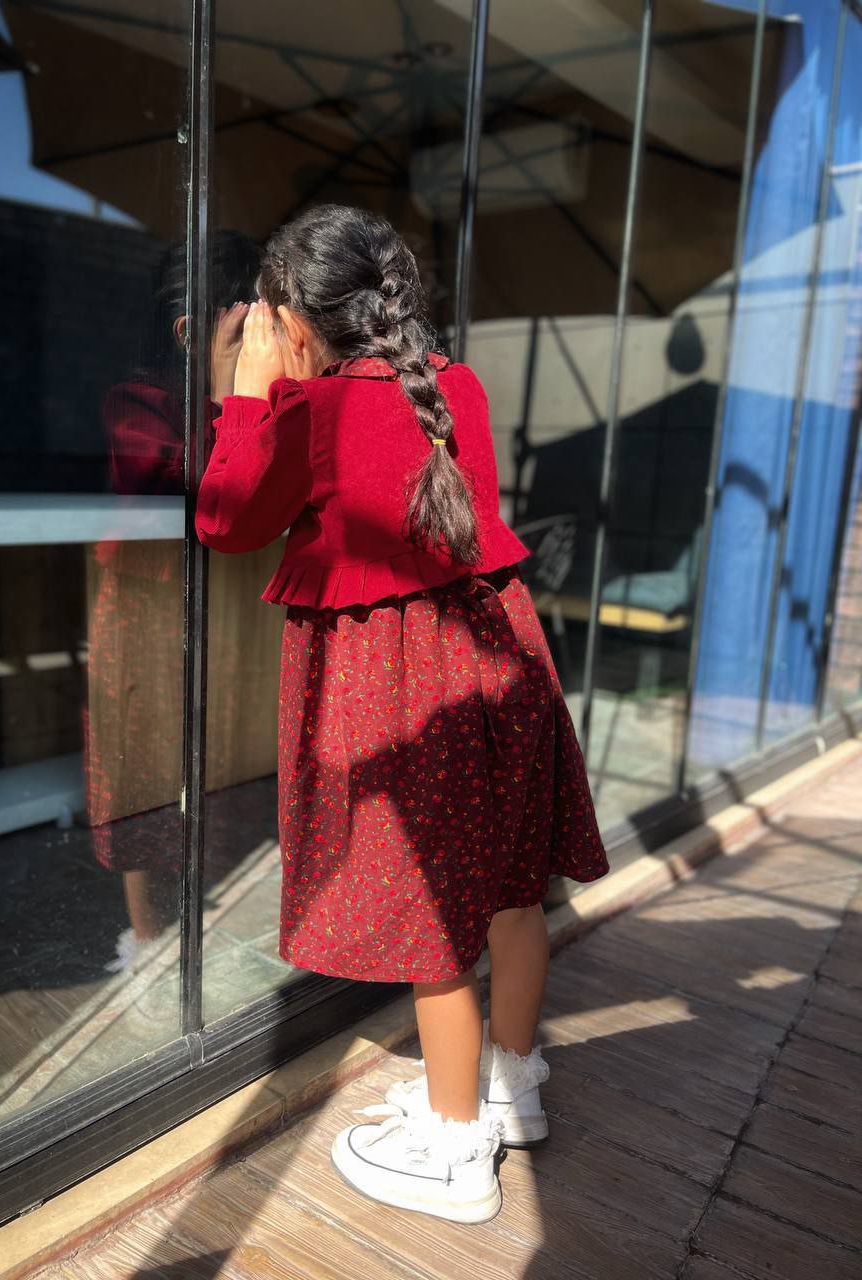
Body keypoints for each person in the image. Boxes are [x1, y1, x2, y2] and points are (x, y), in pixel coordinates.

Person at [195, 205, 608, 1223]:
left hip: (402, 687)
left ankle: (456, 1151)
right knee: (513, 891)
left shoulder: (311, 415)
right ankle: (512, 1087)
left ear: (296, 323)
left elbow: (226, 518)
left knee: (431, 919)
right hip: (501, 661)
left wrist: (244, 394)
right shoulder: (455, 386)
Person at [88, 232, 259, 975]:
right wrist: (224, 391)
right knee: (142, 770)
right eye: (246, 317)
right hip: (144, 606)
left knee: (219, 763)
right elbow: (190, 493)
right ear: (194, 330)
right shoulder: (138, 404)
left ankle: (204, 920)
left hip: (227, 604)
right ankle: (147, 941)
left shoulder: (257, 396)